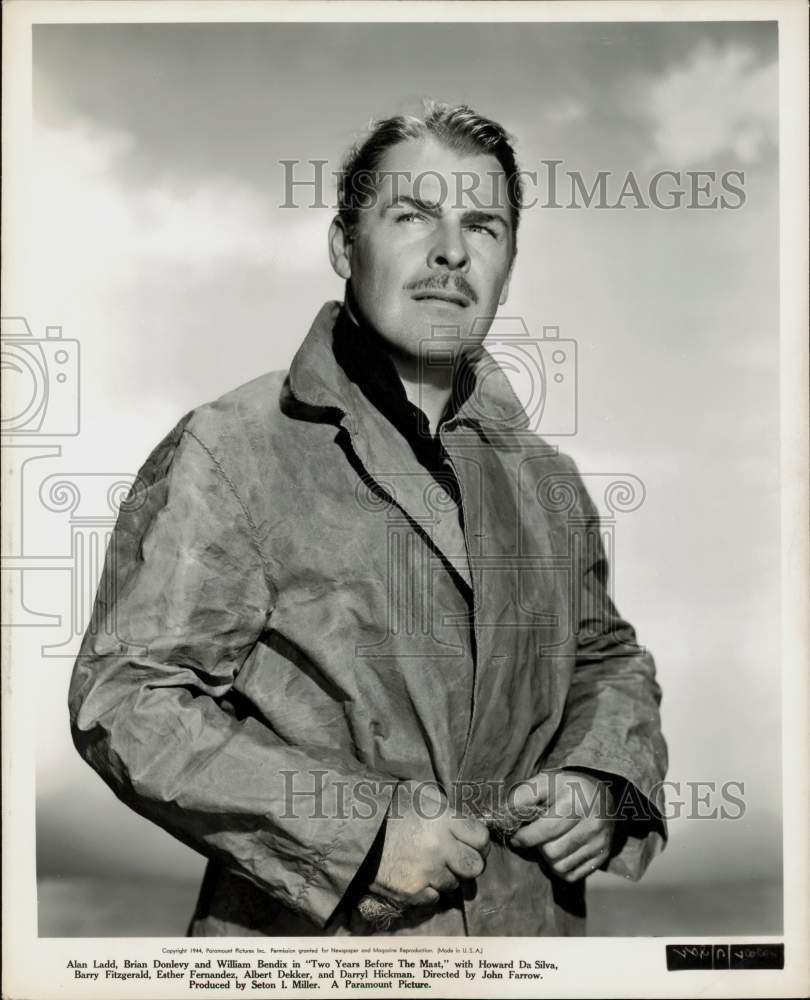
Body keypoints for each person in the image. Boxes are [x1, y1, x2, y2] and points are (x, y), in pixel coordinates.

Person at [69, 102, 667, 937]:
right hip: (313, 961)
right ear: (345, 245)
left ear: (508, 263)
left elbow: (605, 657)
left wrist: (602, 778)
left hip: (534, 958)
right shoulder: (233, 448)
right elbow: (128, 698)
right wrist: (360, 833)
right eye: (413, 215)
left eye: (482, 225)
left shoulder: (545, 479)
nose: (451, 251)